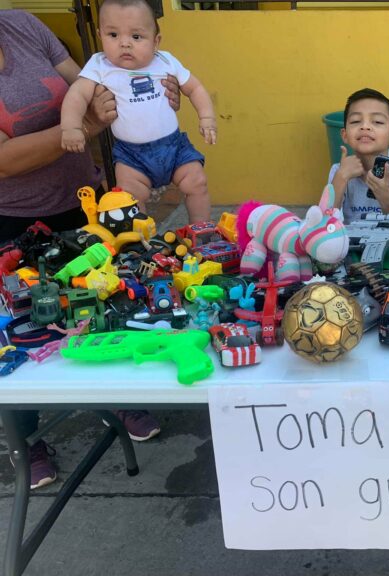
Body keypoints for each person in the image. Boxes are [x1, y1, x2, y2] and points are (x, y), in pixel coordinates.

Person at [0, 8, 173, 489]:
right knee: (22, 323)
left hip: (83, 208)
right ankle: (25, 437)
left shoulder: (22, 25)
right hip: (11, 222)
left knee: (103, 298)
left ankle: (112, 396)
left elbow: (95, 84)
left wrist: (150, 89)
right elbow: (4, 162)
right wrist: (84, 128)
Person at [60, 0, 216, 223]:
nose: (124, 43)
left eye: (136, 37)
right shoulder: (100, 66)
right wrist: (72, 126)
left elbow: (195, 88)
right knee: (130, 198)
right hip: (131, 155)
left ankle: (201, 230)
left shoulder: (166, 61)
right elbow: (77, 94)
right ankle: (143, 243)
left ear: (156, 41)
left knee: (197, 182)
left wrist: (207, 117)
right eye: (113, 35)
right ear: (99, 35)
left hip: (173, 147)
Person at [327, 88, 389, 222]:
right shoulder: (339, 172)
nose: (365, 126)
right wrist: (341, 178)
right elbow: (322, 227)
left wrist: (387, 201)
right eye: (355, 121)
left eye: (377, 122)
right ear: (345, 135)